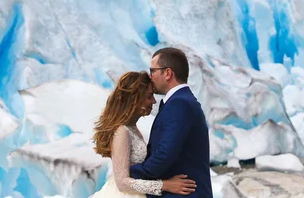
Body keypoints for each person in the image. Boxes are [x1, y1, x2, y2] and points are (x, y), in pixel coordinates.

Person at [91, 71, 197, 197]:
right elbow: (122, 182)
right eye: (149, 96)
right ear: (134, 99)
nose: (153, 101)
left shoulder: (132, 128)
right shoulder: (122, 131)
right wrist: (165, 185)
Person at [130, 47, 213, 198]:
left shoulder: (179, 104)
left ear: (167, 73)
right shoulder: (181, 102)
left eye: (153, 70)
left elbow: (165, 153)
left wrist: (131, 172)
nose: (150, 76)